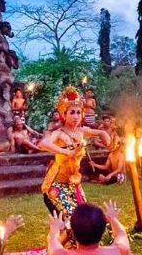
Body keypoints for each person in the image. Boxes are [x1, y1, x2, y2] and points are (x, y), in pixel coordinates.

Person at [38, 86, 110, 217]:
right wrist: (67, 152)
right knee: (73, 219)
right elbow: (43, 143)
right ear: (64, 115)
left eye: (78, 112)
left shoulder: (82, 131)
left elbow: (101, 132)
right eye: (72, 112)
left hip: (74, 183)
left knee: (85, 217)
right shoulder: (59, 133)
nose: (76, 116)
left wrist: (108, 140)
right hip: (56, 184)